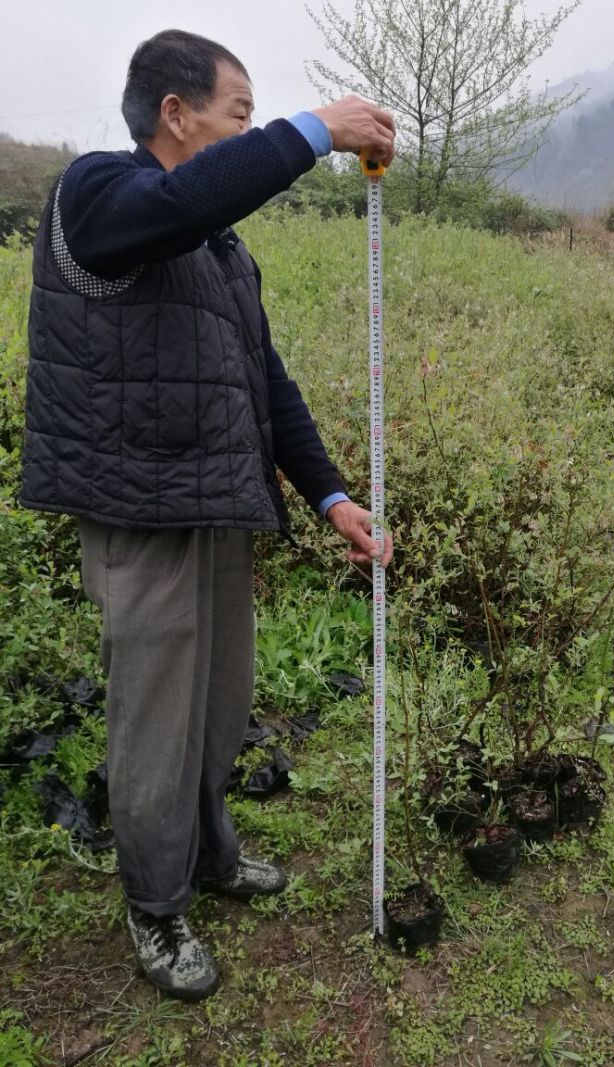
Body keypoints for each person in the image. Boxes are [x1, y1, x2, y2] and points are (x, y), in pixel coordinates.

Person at [20, 28, 395, 1002]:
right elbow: (176, 200)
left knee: (219, 705)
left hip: (218, 503)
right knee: (155, 721)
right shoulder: (94, 197)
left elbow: (257, 379)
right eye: (239, 111)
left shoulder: (217, 250)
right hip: (139, 511)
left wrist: (331, 494)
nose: (247, 129)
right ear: (175, 115)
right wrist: (316, 129)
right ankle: (155, 902)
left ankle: (210, 852)